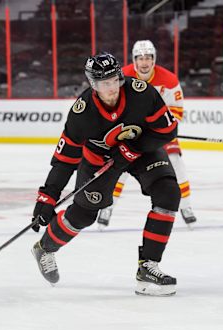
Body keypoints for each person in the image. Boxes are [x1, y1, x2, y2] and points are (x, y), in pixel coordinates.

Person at [31, 52, 181, 296]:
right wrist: (47, 197)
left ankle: (148, 267)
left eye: (114, 80)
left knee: (168, 192)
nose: (111, 88)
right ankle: (45, 248)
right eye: (103, 83)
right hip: (99, 160)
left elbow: (168, 131)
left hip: (140, 150)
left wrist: (131, 148)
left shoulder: (142, 93)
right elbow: (65, 159)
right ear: (93, 84)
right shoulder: (81, 113)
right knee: (83, 215)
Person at [97, 40, 197, 229]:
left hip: (159, 133)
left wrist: (157, 128)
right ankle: (107, 206)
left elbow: (176, 113)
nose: (144, 62)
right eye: (140, 58)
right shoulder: (122, 77)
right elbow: (111, 106)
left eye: (148, 58)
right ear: (134, 60)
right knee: (119, 165)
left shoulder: (168, 80)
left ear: (154, 59)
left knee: (175, 161)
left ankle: (186, 206)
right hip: (130, 132)